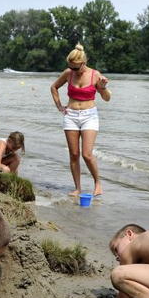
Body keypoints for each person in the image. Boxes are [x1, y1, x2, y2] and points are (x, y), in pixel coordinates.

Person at [50, 43, 111, 196]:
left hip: (89, 116)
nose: (73, 70)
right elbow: (54, 87)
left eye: (76, 68)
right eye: (71, 67)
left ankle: (97, 183)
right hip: (70, 116)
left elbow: (107, 98)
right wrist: (59, 106)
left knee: (87, 154)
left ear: (84, 63)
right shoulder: (68, 73)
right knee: (74, 154)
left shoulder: (95, 75)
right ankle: (77, 188)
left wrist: (103, 87)